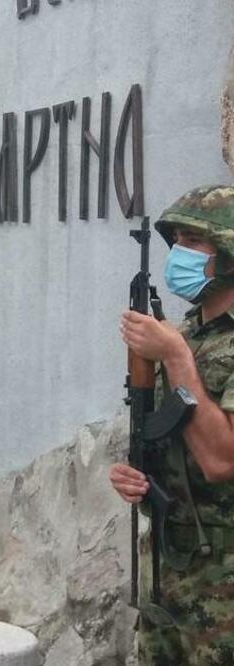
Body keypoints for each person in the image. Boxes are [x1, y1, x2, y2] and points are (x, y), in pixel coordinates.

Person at [109, 185, 234, 664]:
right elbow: (162, 435)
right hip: (166, 567)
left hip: (224, 580)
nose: (178, 253)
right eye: (176, 239)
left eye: (192, 240)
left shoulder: (177, 346)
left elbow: (222, 460)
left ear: (227, 253)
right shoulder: (182, 334)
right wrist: (136, 477)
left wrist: (176, 357)